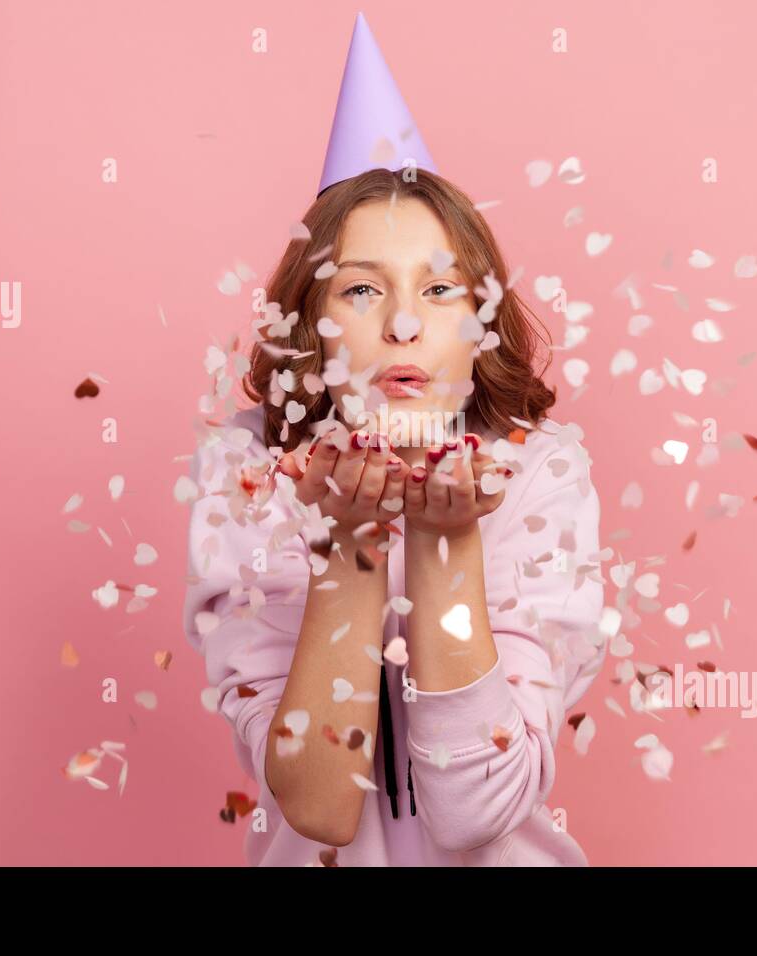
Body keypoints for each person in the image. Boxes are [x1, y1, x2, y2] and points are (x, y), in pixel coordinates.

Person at [182, 12, 606, 866]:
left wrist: (449, 542)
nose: (405, 324)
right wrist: (351, 546)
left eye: (441, 290)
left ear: (481, 325)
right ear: (310, 322)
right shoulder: (246, 474)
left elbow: (473, 812)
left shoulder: (541, 473)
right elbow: (316, 806)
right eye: (363, 291)